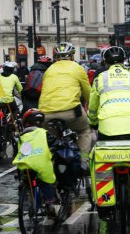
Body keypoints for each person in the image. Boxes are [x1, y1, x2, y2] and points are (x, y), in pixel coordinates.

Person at [38, 42, 92, 173]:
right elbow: (88, 92)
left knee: (52, 138)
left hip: (45, 113)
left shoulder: (49, 70)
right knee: (85, 130)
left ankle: (51, 162)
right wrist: (93, 108)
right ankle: (83, 162)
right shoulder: (78, 68)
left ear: (56, 57)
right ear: (72, 56)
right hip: (70, 111)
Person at [88, 46, 130, 141]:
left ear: (106, 62)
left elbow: (93, 107)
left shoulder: (99, 79)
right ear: (123, 60)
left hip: (107, 127)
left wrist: (94, 123)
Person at [12, 108, 56, 217]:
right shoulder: (44, 133)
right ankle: (50, 204)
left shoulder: (21, 136)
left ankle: (23, 182)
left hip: (26, 166)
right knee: (46, 180)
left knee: (26, 175)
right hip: (41, 165)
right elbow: (55, 144)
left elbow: (17, 153)